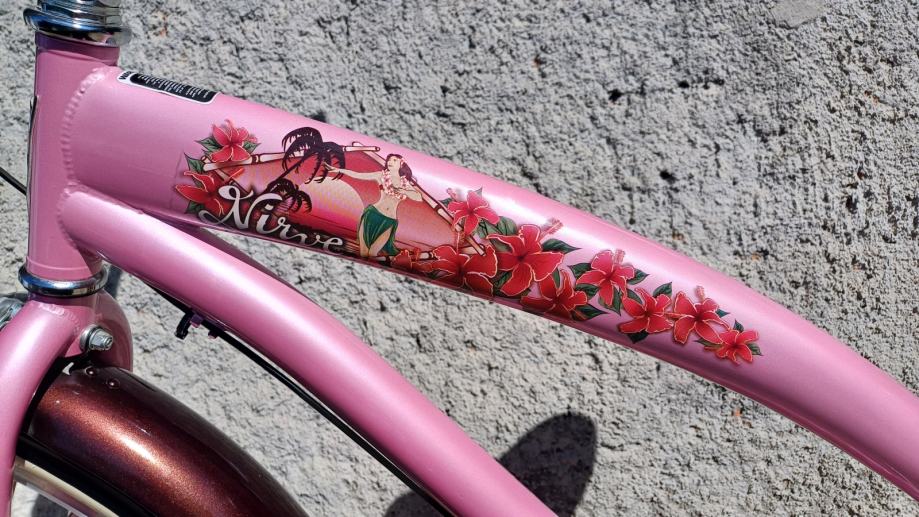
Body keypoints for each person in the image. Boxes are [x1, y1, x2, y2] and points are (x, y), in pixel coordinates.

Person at [324, 154, 422, 258]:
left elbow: (418, 197)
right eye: (389, 160)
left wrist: (404, 191)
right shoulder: (381, 175)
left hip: (389, 220)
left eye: (394, 160)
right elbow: (358, 175)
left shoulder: (405, 183)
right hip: (373, 214)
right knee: (364, 252)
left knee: (372, 254)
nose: (390, 162)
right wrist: (339, 170)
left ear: (401, 164)